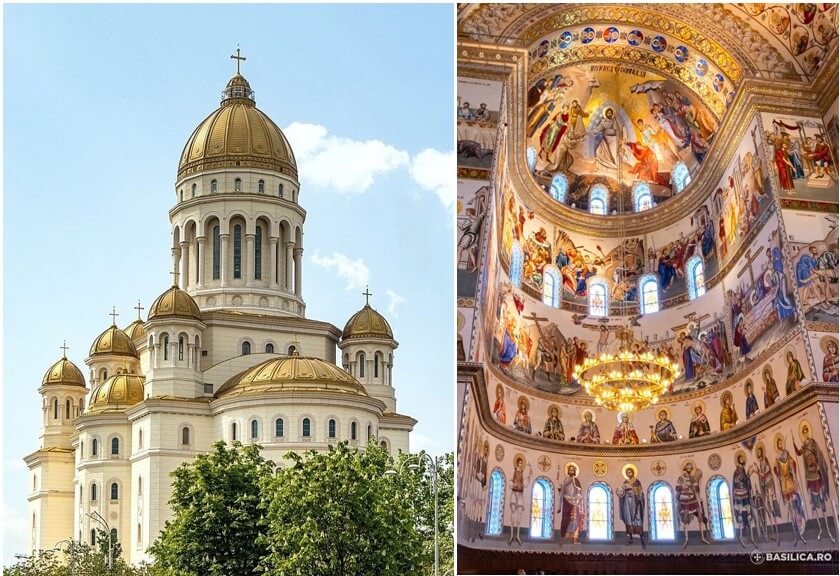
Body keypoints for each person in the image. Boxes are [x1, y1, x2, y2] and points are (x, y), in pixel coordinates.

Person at [793, 423, 836, 542]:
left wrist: (818, 467)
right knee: (815, 504)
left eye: (806, 431)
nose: (805, 433)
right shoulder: (803, 445)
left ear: (808, 432)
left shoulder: (813, 442)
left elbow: (819, 455)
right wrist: (793, 443)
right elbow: (798, 453)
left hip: (817, 476)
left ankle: (828, 528)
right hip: (810, 477)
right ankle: (821, 529)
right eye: (804, 432)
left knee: (822, 503)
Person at [774, 436, 807, 544]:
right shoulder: (778, 458)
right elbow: (776, 470)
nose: (780, 445)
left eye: (781, 443)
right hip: (784, 485)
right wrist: (777, 471)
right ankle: (795, 533)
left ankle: (801, 527)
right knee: (790, 509)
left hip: (790, 482)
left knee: (795, 505)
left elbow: (793, 463)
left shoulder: (787, 454)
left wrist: (792, 471)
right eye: (778, 444)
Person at [675, 462, 710, 547]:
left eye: (691, 468)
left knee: (700, 516)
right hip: (684, 499)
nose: (689, 470)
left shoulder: (693, 478)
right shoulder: (681, 478)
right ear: (685, 469)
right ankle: (686, 539)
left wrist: (696, 490)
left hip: (693, 499)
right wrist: (683, 486)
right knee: (686, 519)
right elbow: (677, 488)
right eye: (688, 468)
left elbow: (696, 489)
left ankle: (702, 537)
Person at [617, 466, 646, 548]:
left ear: (633, 472)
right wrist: (620, 492)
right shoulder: (625, 482)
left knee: (638, 521)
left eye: (630, 472)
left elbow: (640, 493)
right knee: (628, 521)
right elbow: (621, 492)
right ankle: (631, 539)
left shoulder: (637, 482)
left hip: (636, 503)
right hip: (627, 503)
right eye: (627, 473)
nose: (628, 474)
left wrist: (638, 496)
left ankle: (642, 540)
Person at [732, 452, 755, 548]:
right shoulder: (737, 471)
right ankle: (741, 537)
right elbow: (738, 480)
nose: (742, 460)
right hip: (739, 494)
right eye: (741, 459)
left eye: (742, 459)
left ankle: (752, 537)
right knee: (741, 514)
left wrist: (748, 473)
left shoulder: (743, 469)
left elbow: (745, 480)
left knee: (749, 512)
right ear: (738, 461)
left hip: (744, 492)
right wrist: (748, 474)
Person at [557, 463, 584, 545]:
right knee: (566, 519)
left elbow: (579, 492)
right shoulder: (566, 480)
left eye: (573, 470)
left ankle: (575, 539)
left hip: (575, 502)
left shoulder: (576, 481)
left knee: (575, 520)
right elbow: (562, 491)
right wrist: (560, 488)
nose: (571, 471)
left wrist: (577, 498)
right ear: (568, 471)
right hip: (567, 501)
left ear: (575, 471)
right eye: (570, 470)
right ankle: (565, 537)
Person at [509, 456, 532, 545]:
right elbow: (511, 481)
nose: (521, 464)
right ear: (517, 463)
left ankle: (518, 536)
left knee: (519, 514)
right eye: (520, 463)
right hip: (514, 494)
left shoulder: (523, 472)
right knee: (512, 514)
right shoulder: (513, 471)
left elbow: (525, 483)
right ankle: (511, 535)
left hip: (520, 494)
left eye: (522, 463)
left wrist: (529, 477)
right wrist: (513, 484)